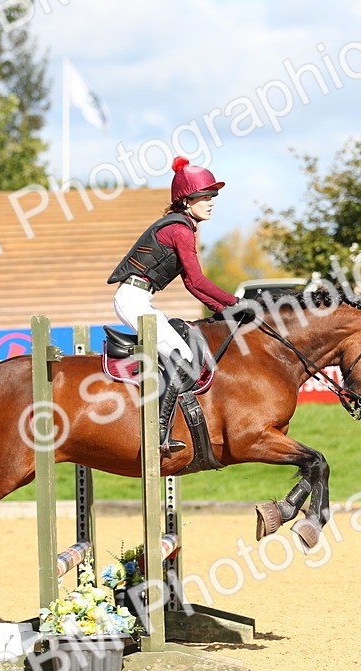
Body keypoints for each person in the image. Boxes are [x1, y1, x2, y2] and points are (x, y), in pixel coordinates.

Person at [109, 156, 242, 453]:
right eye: (205, 196)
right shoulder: (180, 230)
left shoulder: (183, 227)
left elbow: (192, 284)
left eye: (213, 196)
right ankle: (157, 435)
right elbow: (196, 280)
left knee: (181, 350)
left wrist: (224, 309)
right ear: (186, 201)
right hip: (132, 299)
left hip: (139, 298)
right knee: (182, 355)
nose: (211, 202)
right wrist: (235, 303)